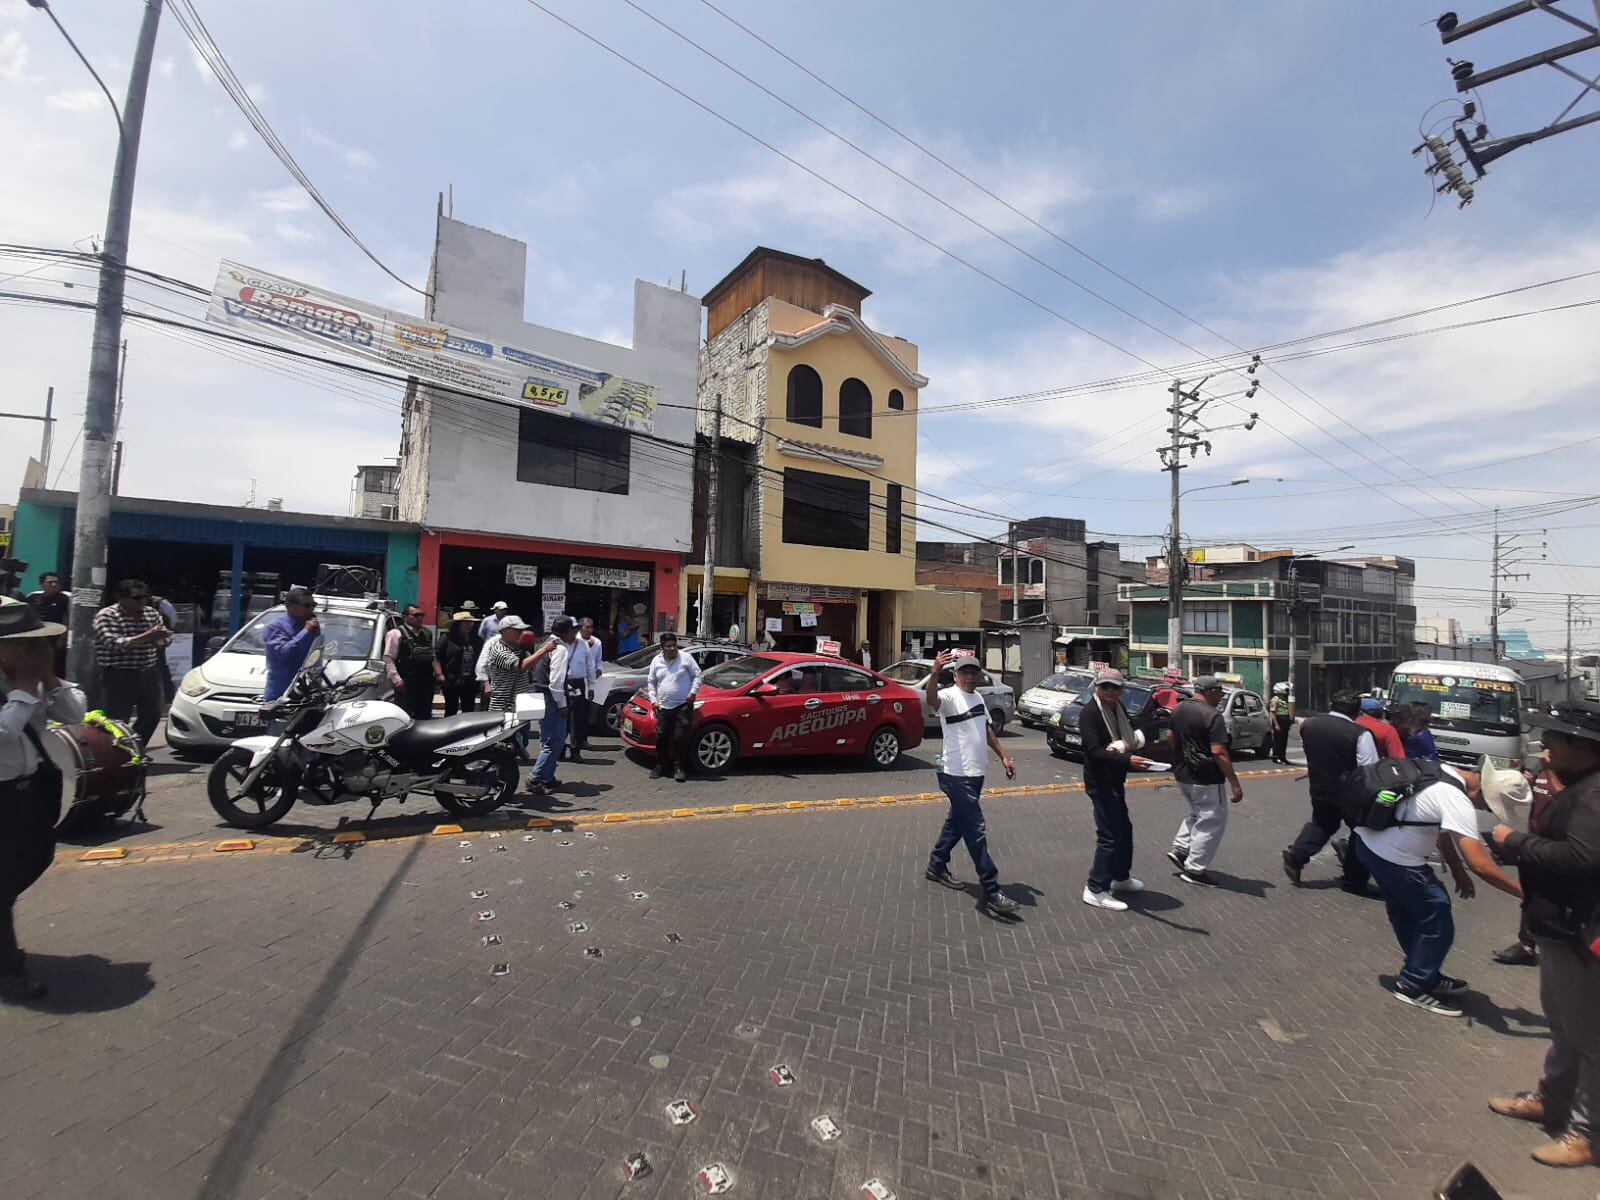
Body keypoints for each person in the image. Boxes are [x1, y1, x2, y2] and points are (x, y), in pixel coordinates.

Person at [1487, 699, 1600, 1169]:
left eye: (1554, 737)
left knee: (1590, 1036)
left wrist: (1513, 842)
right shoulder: (1578, 786)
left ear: (1583, 745)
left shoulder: (1594, 795)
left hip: (1580, 932)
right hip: (1558, 927)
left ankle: (1587, 1134)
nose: (1544, 744)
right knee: (1564, 1026)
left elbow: (1581, 857)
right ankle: (1552, 1100)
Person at [1354, 757, 1527, 1017]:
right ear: (1480, 791)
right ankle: (1413, 983)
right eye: (1489, 806)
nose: (1485, 811)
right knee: (1437, 915)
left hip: (1368, 845)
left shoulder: (1441, 770)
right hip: (1396, 859)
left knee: (1404, 910)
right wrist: (1524, 894)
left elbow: (1441, 833)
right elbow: (1480, 865)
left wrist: (1458, 872)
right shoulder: (1456, 800)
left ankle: (1425, 972)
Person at [0, 598, 86, 1002]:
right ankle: (8, 970)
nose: (37, 652)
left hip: (28, 793)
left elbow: (75, 714)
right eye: (27, 645)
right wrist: (20, 690)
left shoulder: (32, 677)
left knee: (36, 858)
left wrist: (48, 679)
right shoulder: (17, 685)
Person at [923, 650, 1019, 918]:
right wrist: (933, 673)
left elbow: (986, 729)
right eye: (963, 672)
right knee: (975, 831)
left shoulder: (977, 697)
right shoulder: (950, 697)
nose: (968, 677)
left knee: (957, 823)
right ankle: (992, 890)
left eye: (972, 672)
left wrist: (1004, 756)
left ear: (978, 676)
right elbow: (932, 700)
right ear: (955, 676)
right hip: (957, 774)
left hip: (976, 774)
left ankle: (936, 865)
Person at [1282, 689, 1379, 893]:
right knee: (1363, 832)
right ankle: (1354, 879)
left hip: (1319, 787)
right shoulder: (1360, 734)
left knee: (1322, 824)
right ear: (1356, 712)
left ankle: (1297, 854)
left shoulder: (1309, 724)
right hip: (1351, 793)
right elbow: (1369, 770)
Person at [1078, 669, 1153, 911]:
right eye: (1105, 687)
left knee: (1124, 829)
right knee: (1109, 835)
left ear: (1121, 691)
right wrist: (1128, 760)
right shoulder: (1090, 713)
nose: (1110, 692)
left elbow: (1130, 737)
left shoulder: (1118, 710)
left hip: (1115, 780)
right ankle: (1096, 887)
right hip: (1100, 782)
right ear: (1096, 688)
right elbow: (1094, 752)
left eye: (1115, 688)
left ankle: (1120, 876)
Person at [1166, 677, 1245, 886]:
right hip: (1206, 776)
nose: (1220, 697)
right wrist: (1234, 783)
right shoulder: (1212, 715)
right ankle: (1195, 869)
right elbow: (1219, 752)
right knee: (1212, 818)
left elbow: (1170, 736)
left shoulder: (1179, 708)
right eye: (1219, 692)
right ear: (1210, 692)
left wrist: (1179, 757)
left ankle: (1181, 849)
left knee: (1195, 811)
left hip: (1183, 772)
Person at [1493, 758, 1564, 968]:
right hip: (1535, 837)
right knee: (1530, 893)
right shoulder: (1540, 765)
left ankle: (1565, 948)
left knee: (1556, 897)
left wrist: (1551, 769)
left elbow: (1565, 797)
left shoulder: (1573, 771)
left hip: (1559, 843)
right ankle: (1526, 945)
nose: (1545, 749)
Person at [91, 578, 170, 748]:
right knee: (117, 718)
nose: (142, 601)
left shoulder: (151, 613)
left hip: (148, 671)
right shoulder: (107, 616)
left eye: (145, 597)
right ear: (122, 598)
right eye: (137, 598)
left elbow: (162, 638)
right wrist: (146, 637)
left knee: (153, 714)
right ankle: (114, 752)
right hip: (118, 673)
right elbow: (113, 643)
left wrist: (162, 640)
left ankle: (136, 748)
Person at [528, 616, 577, 796]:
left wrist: (566, 686)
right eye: (572, 630)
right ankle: (535, 778)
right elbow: (555, 681)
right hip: (552, 698)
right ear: (566, 631)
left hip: (543, 695)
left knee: (548, 739)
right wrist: (562, 703)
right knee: (554, 742)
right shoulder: (560, 649)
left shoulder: (545, 643)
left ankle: (548, 778)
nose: (574, 633)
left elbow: (547, 673)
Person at [645, 632, 702, 782]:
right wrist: (653, 700)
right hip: (663, 706)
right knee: (661, 737)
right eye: (668, 646)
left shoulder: (686, 659)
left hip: (683, 705)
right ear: (662, 648)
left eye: (674, 645)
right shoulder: (656, 661)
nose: (672, 649)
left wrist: (693, 692)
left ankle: (679, 768)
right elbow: (651, 682)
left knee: (680, 737)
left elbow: (698, 675)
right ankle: (660, 765)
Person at [383, 604, 444, 721]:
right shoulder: (396, 634)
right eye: (416, 615)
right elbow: (388, 658)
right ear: (405, 616)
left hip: (425, 681)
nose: (420, 618)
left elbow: (432, 655)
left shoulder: (427, 633)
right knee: (404, 715)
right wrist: (396, 680)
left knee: (424, 714)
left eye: (422, 615)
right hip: (407, 681)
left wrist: (438, 674)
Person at [262, 586, 320, 703]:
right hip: (281, 693)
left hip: (306, 691)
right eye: (307, 606)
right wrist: (305, 631)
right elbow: (283, 654)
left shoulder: (311, 625)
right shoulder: (276, 627)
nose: (311, 609)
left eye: (313, 605)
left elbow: (316, 653)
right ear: (290, 606)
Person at [565, 617, 603, 760]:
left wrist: (592, 685)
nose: (588, 630)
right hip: (563, 682)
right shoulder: (558, 643)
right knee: (563, 716)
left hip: (578, 683)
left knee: (577, 717)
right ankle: (560, 749)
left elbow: (592, 664)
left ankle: (575, 750)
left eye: (590, 627)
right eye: (585, 627)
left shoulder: (585, 645)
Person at [24, 572, 70, 677]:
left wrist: (62, 638)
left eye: (56, 582)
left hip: (55, 638)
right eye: (50, 582)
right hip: (36, 637)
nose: (54, 585)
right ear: (42, 585)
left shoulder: (64, 599)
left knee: (54, 666)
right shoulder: (33, 597)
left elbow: (66, 618)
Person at [437, 612, 482, 717]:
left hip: (470, 682)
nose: (469, 625)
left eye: (470, 623)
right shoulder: (447, 638)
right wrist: (439, 674)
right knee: (451, 708)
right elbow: (436, 655)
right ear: (457, 624)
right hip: (451, 681)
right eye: (466, 623)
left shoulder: (476, 639)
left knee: (468, 709)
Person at [1357, 696, 1406, 760]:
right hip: (1375, 768)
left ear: (1359, 711)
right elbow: (1398, 758)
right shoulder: (1388, 730)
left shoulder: (1351, 724)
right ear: (1381, 713)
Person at [1268, 682, 1295, 764]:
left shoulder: (1286, 699)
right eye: (1286, 690)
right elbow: (1273, 713)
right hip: (1279, 721)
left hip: (1285, 721)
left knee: (1284, 741)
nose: (1287, 692)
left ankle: (1283, 757)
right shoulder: (1275, 699)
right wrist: (1276, 724)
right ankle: (1276, 757)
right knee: (1278, 741)